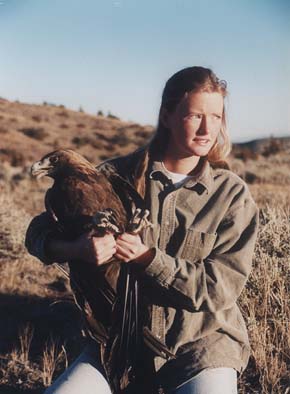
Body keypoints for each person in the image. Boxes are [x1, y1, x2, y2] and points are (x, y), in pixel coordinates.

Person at [25, 66, 259, 394]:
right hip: (120, 340)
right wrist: (75, 249)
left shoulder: (231, 195)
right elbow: (36, 232)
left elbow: (219, 290)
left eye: (216, 117)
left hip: (201, 345)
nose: (208, 128)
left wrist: (148, 257)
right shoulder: (113, 177)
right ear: (167, 115)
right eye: (195, 116)